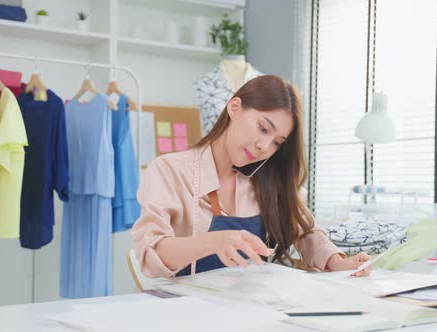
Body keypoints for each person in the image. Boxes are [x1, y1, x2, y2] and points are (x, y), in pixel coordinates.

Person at [132, 75, 372, 277]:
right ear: (234, 108)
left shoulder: (267, 179)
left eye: (276, 142)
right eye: (263, 128)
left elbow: (306, 231)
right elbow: (151, 251)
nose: (264, 147)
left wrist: (337, 263)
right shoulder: (169, 170)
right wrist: (214, 242)